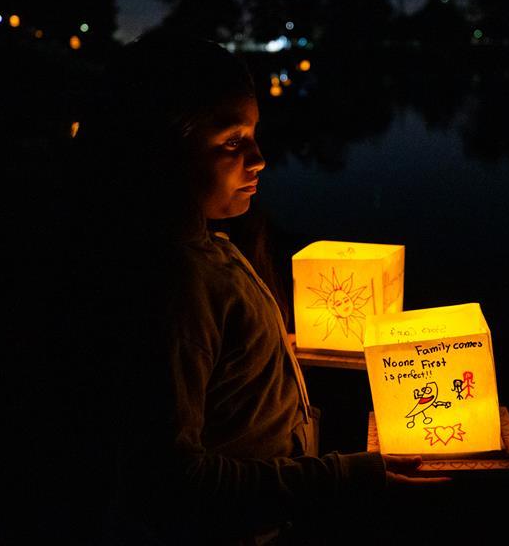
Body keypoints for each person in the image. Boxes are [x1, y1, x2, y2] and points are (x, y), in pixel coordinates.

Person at [76, 34, 449, 545]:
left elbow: (226, 375)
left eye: (253, 135)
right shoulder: (175, 284)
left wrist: (291, 349)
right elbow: (166, 479)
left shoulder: (212, 250)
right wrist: (343, 476)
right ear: (160, 152)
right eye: (233, 142)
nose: (259, 158)